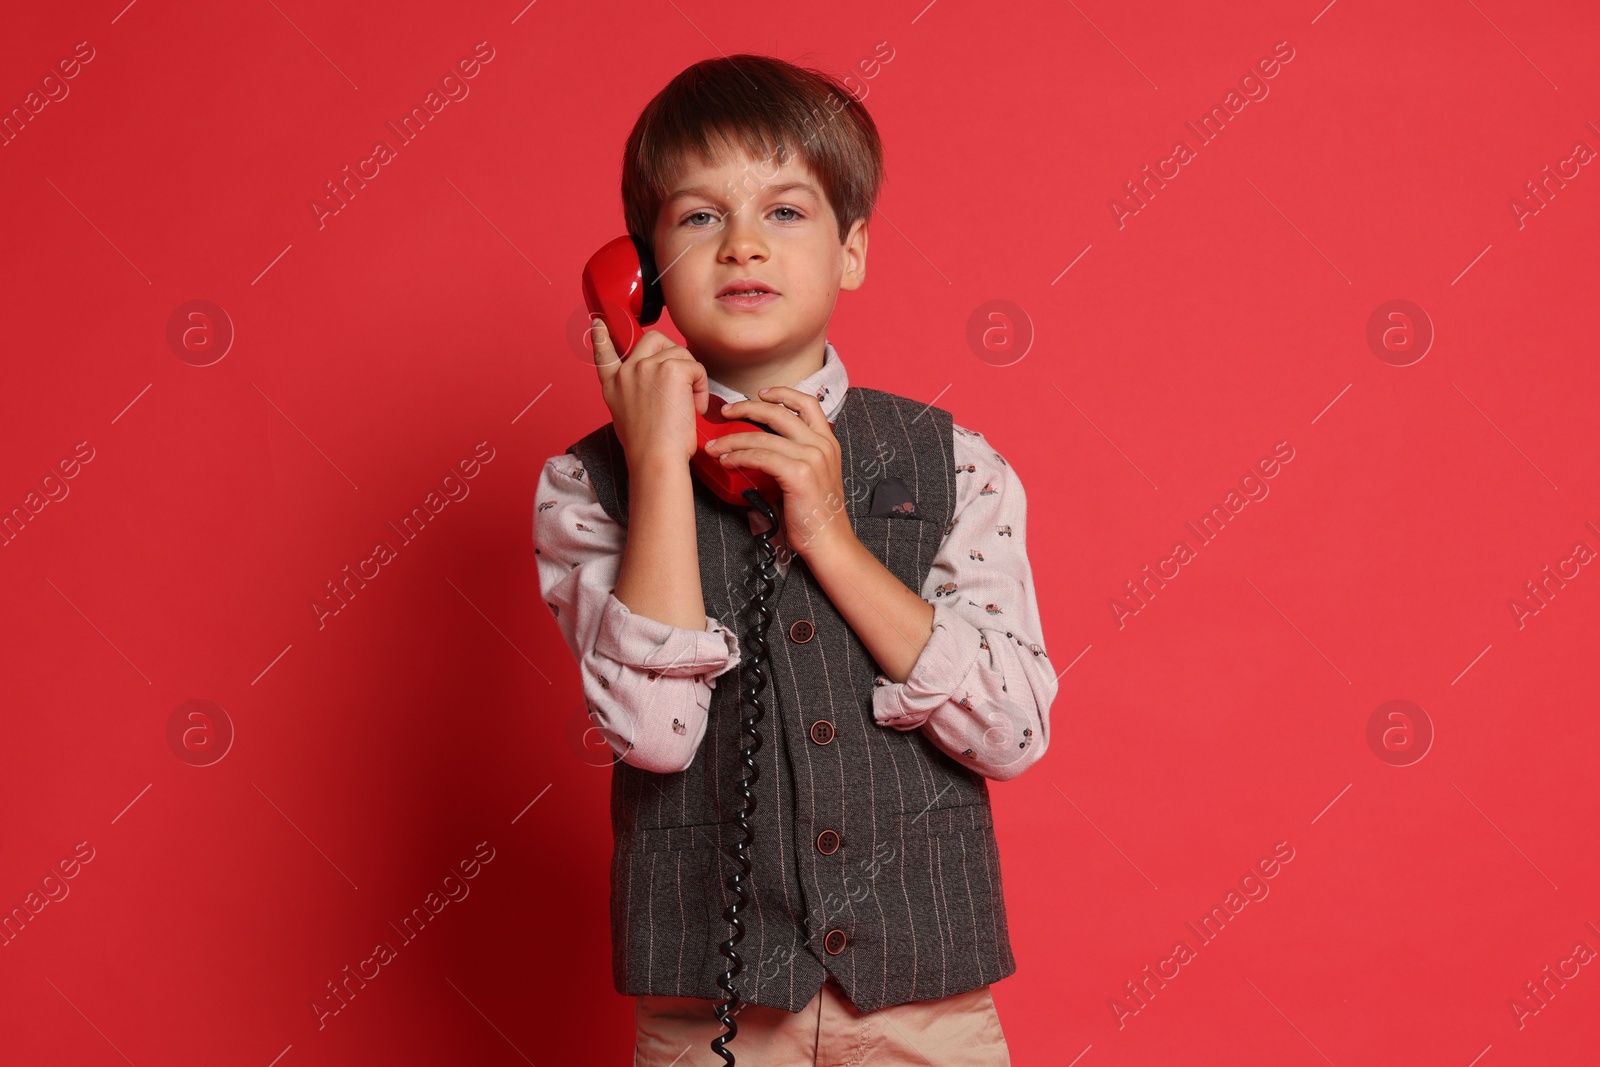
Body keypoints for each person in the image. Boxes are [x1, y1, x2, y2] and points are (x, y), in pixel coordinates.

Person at [535, 52, 1058, 1066]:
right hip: (712, 1012)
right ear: (635, 272)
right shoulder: (583, 486)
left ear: (851, 249)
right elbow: (653, 729)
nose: (741, 244)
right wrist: (655, 463)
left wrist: (831, 536)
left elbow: (1014, 730)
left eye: (784, 211)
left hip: (925, 1005)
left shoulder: (952, 463)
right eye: (697, 217)